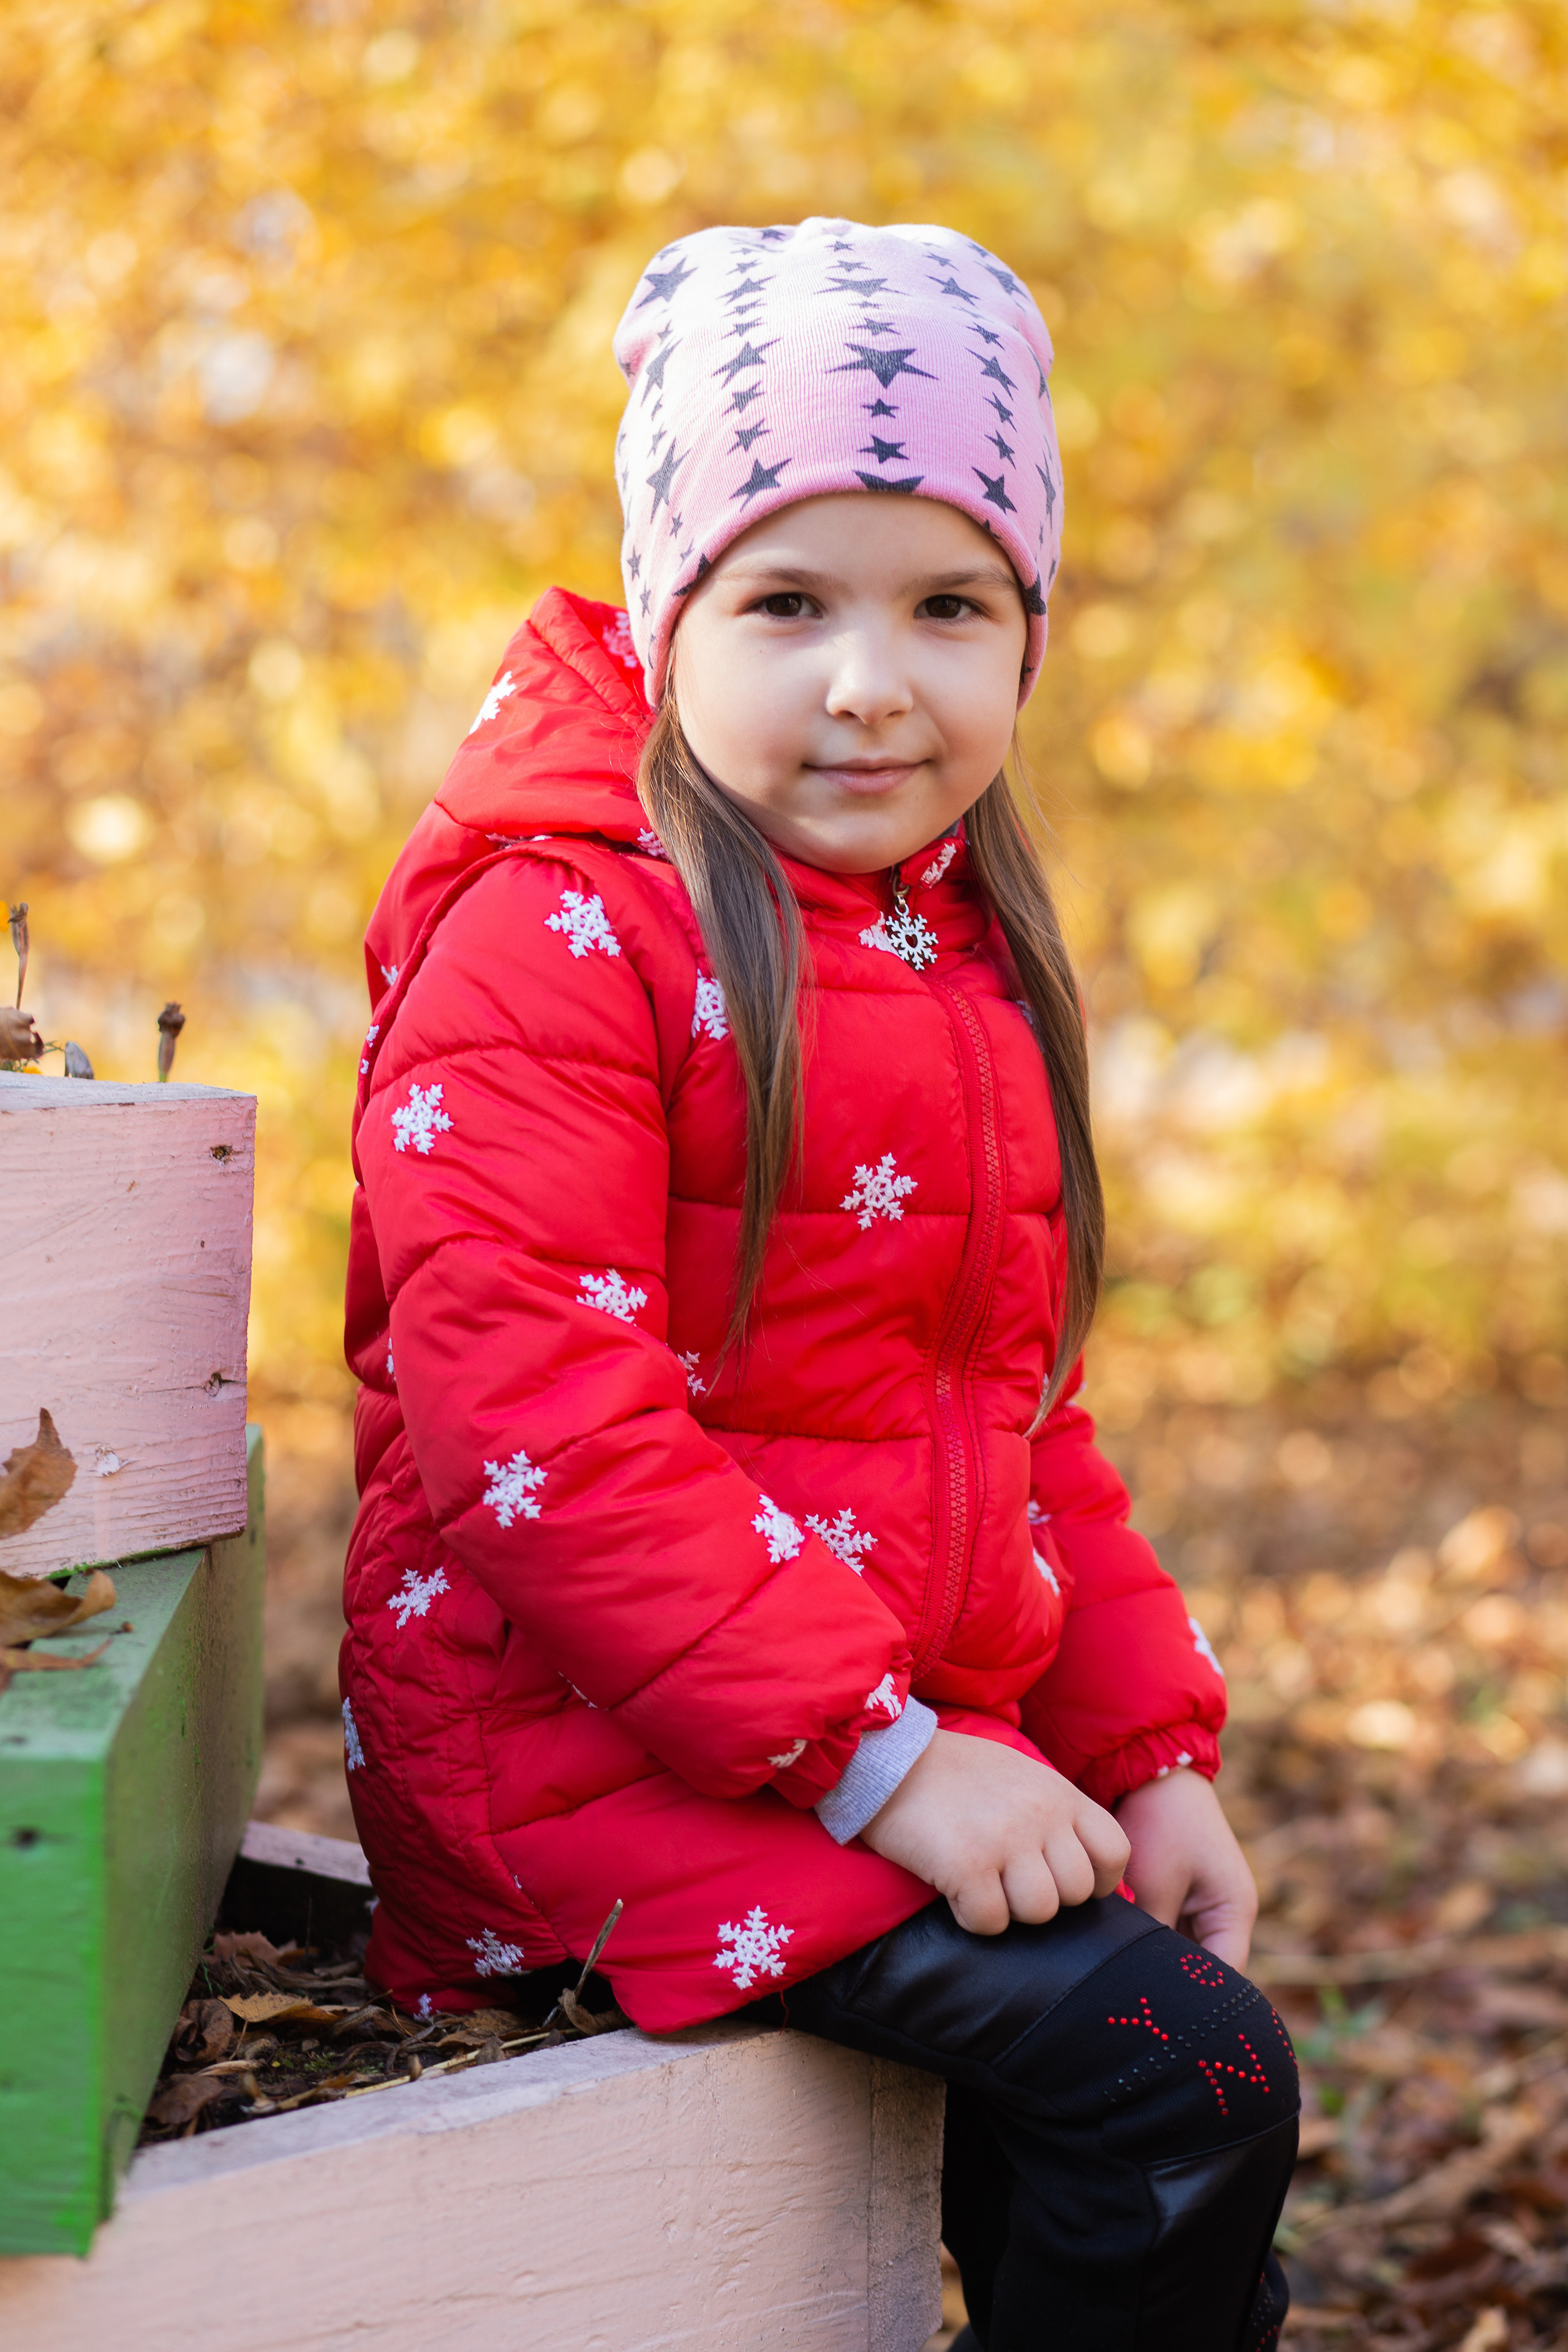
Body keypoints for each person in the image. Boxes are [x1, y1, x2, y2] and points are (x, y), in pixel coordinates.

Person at [342, 216, 1298, 2349]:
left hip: (824, 1747)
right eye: (789, 603)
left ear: (1026, 638)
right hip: (578, 1766)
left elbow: (1011, 1416)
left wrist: (1144, 1747)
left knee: (1175, 2103)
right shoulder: (563, 941)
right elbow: (540, 1433)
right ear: (674, 616)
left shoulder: (950, 951)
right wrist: (887, 1764)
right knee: (1186, 2083)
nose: (873, 682)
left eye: (949, 604)